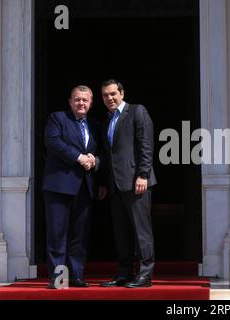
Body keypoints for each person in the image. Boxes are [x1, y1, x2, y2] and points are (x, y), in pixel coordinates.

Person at [42, 85, 107, 289]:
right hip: (59, 185)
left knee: (79, 235)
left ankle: (76, 276)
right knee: (57, 234)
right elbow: (53, 142)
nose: (81, 103)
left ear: (91, 103)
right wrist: (79, 157)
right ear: (70, 101)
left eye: (85, 100)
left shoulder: (96, 125)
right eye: (77, 99)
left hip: (85, 188)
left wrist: (95, 161)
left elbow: (105, 152)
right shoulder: (58, 118)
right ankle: (59, 278)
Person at [99, 79, 157, 288]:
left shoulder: (137, 111)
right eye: (105, 95)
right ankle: (124, 273)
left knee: (141, 231)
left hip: (136, 182)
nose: (109, 98)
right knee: (122, 232)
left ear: (122, 93)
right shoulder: (107, 120)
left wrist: (143, 174)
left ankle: (145, 274)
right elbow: (110, 154)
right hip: (115, 184)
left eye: (113, 93)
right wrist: (104, 182)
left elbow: (146, 145)